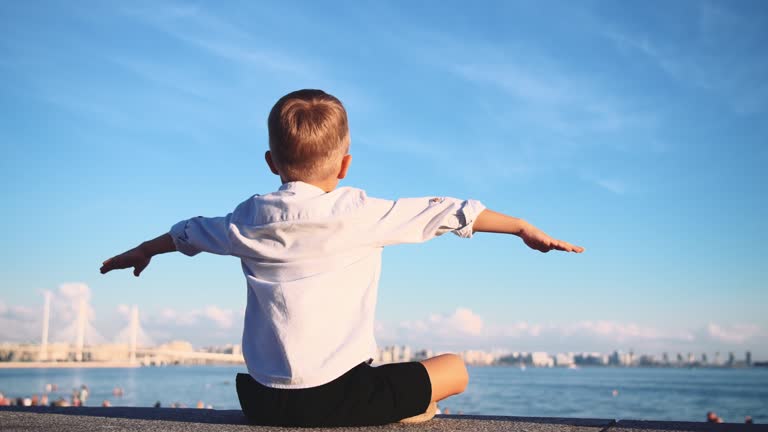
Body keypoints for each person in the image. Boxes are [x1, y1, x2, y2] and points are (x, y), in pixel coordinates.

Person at [100, 89, 583, 427]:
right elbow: (451, 212)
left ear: (271, 162)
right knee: (456, 368)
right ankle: (402, 410)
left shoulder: (244, 219)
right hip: (338, 399)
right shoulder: (358, 212)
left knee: (401, 382)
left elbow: (187, 233)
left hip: (262, 400)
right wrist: (522, 227)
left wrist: (143, 251)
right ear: (346, 164)